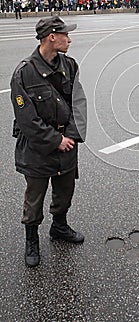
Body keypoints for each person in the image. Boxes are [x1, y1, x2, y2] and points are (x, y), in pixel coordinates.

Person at [10, 15, 87, 267]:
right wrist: (56, 140)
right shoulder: (24, 73)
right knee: (35, 197)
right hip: (37, 147)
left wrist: (71, 137)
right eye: (65, 34)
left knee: (65, 191)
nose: (70, 39)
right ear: (51, 37)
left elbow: (78, 103)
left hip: (67, 142)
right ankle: (31, 239)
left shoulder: (70, 65)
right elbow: (27, 120)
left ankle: (59, 227)